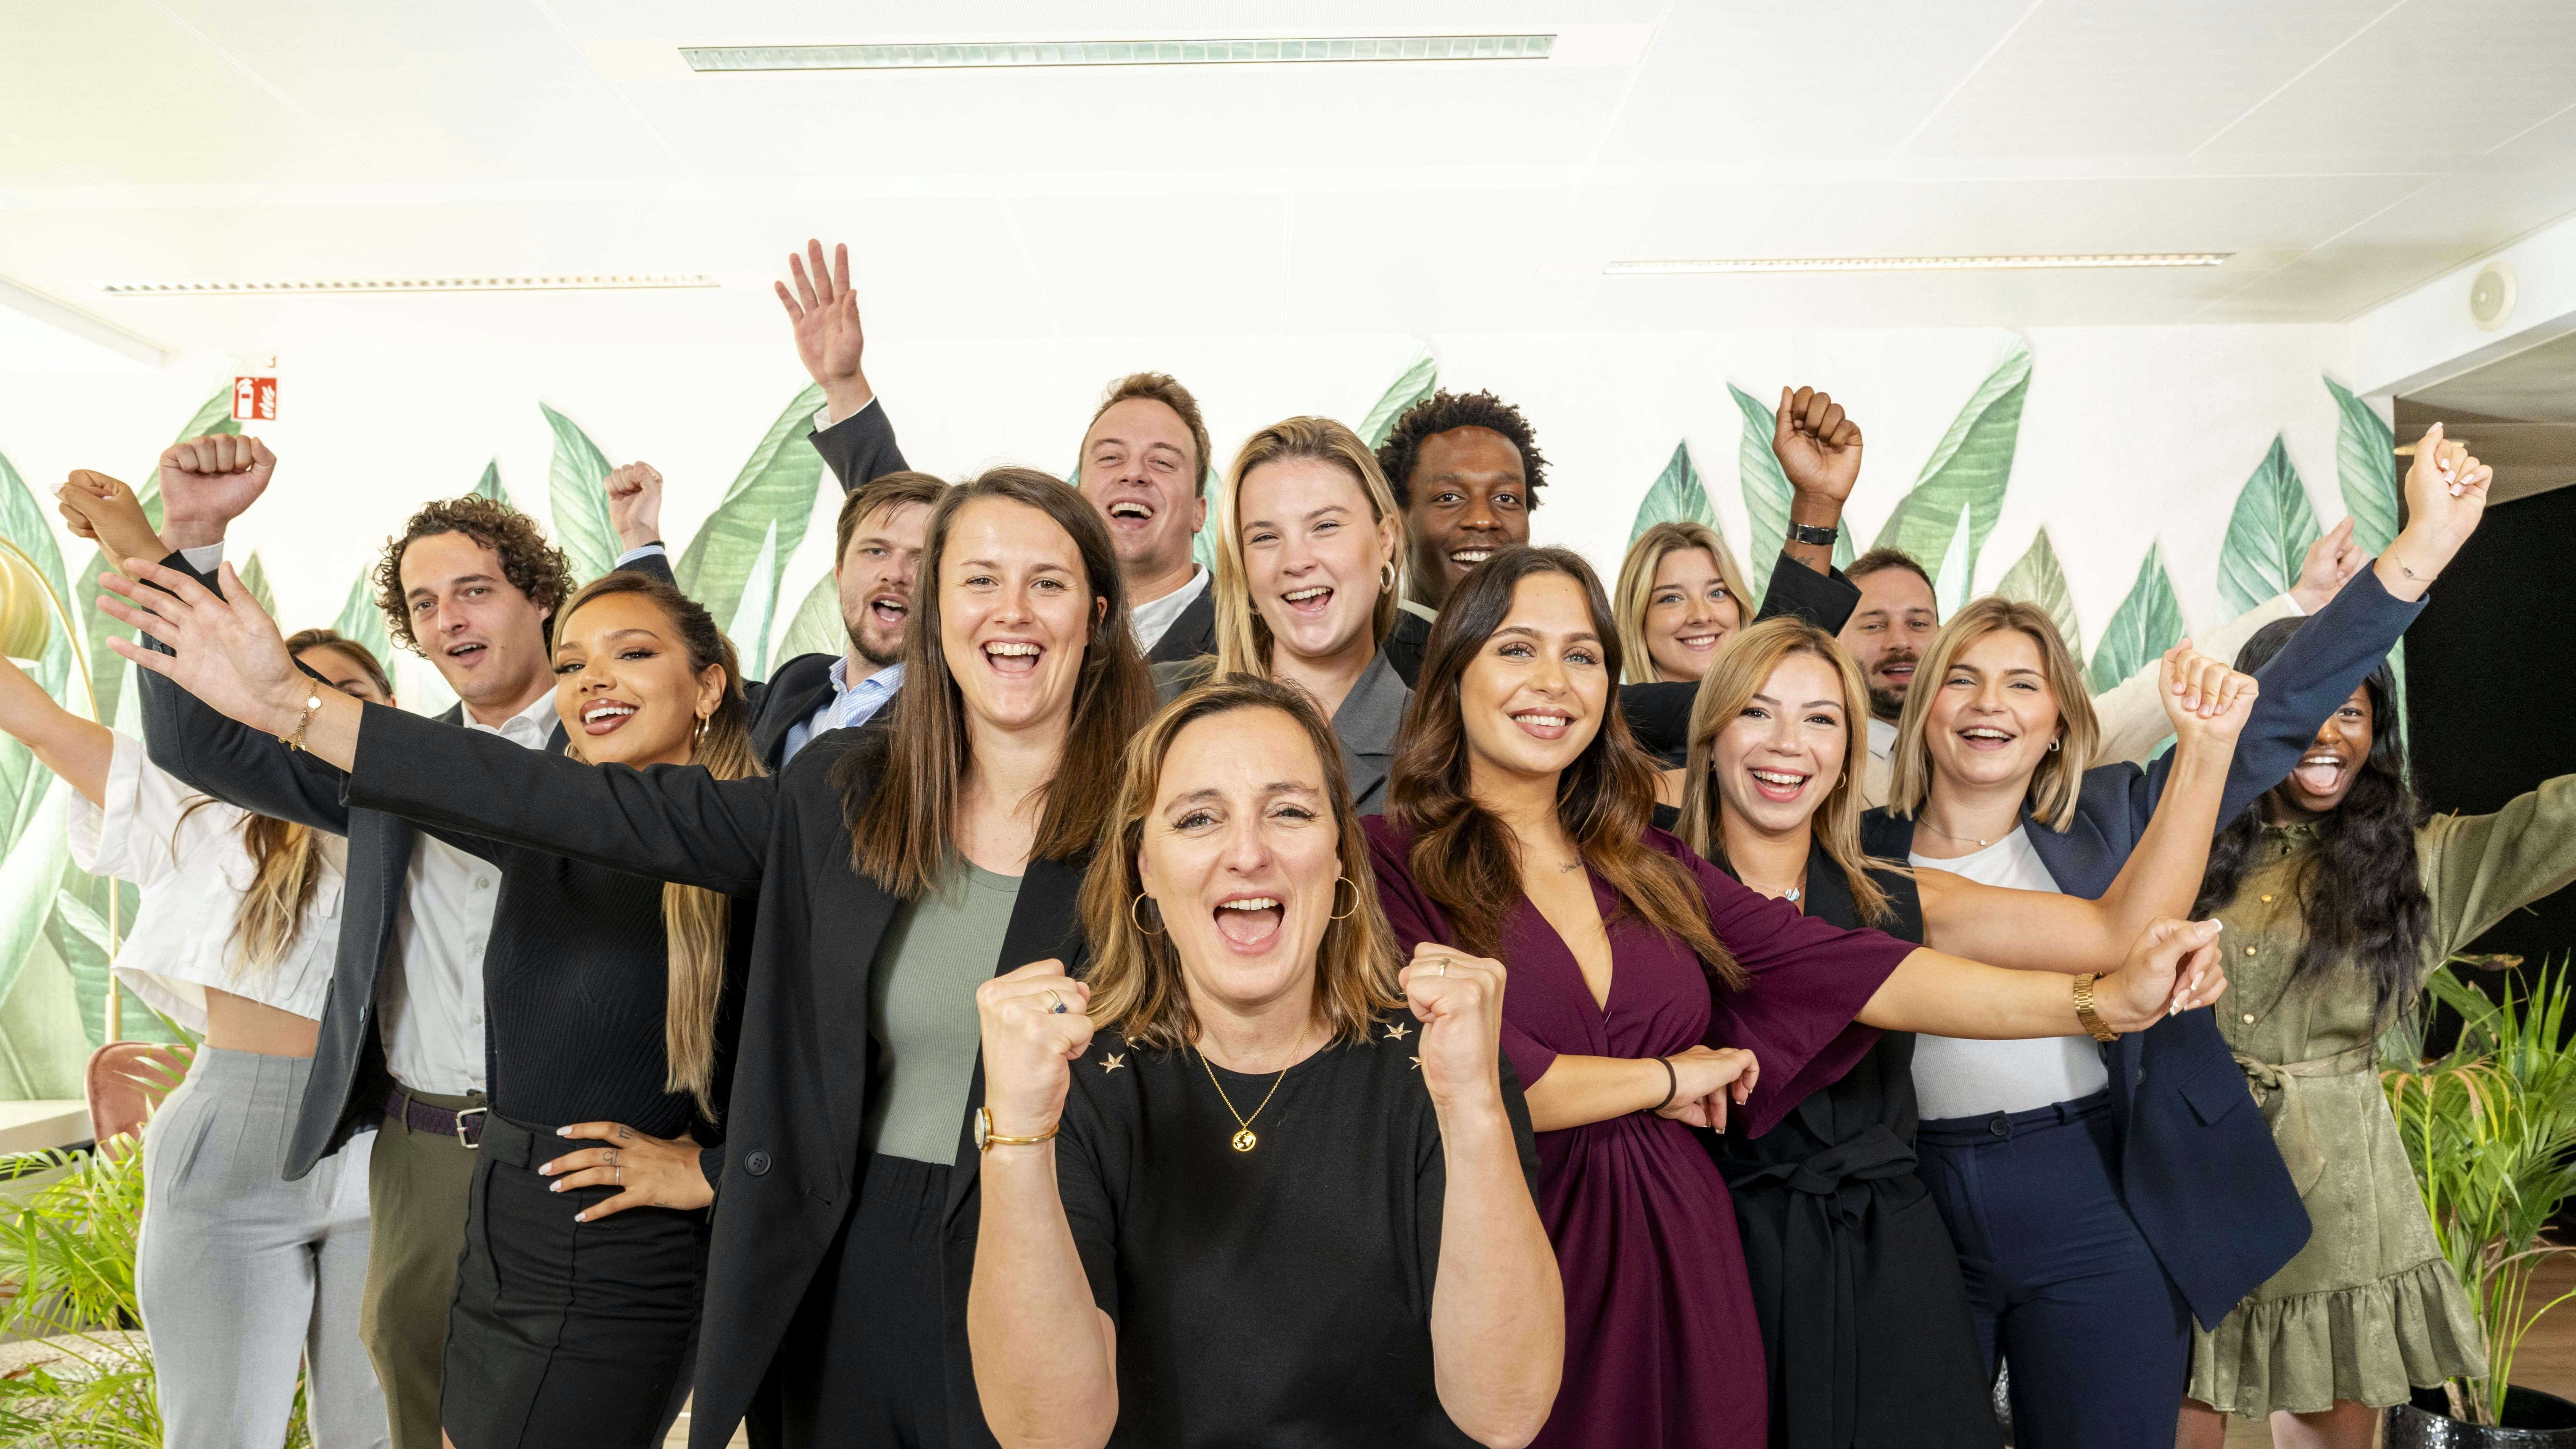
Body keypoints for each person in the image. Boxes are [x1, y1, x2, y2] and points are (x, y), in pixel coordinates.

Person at [98, 467, 1157, 1449]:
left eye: (1046, 582)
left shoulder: (1157, 814)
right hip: (839, 1256)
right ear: (934, 617)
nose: (1009, 610)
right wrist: (287, 700)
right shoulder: (842, 796)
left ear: (1096, 614)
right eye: (977, 579)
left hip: (1051, 1245)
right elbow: (549, 796)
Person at [1365, 545, 2235, 1449]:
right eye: (1516, 649)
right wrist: (1667, 1079)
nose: (1552, 681)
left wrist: (2102, 1001)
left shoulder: (1645, 864)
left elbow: (1864, 969)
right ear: (1451, 670)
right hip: (1525, 1250)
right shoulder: (1382, 861)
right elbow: (1480, 1087)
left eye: (1581, 655)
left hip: (1691, 1261)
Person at [1864, 421, 2491, 1449]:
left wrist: (2418, 546)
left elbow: (2280, 710)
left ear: (2059, 719)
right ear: (1918, 708)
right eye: (1959, 678)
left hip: (2089, 1192)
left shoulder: (2115, 817)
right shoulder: (1855, 850)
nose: (1987, 703)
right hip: (1914, 1202)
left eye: (2020, 682)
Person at [62, 445, 641, 1449]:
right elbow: (204, 745)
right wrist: (192, 542)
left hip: (563, 1151)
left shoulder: (617, 743)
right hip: (405, 1149)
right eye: (425, 604)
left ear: (540, 599)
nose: (451, 618)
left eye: (474, 590)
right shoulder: (390, 761)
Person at [1667, 616, 2257, 1449]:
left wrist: (2204, 750)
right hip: (1720, 1251)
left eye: (1822, 718)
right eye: (1757, 712)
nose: (1787, 743)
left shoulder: (1893, 894)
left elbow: (2115, 928)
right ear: (1711, 729)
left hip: (1888, 1259)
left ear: (1849, 750)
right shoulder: (1650, 886)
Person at [968, 675, 1564, 1449]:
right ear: (1145, 868)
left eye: (1288, 810)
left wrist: (1473, 1104)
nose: (1247, 853)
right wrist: (1016, 1130)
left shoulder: (1439, 1061)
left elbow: (1506, 1411)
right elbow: (1046, 1434)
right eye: (1198, 817)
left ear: (1342, 855)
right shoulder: (1072, 1076)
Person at [2176, 622, 2576, 1449]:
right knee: (2172, 1411)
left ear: (2377, 731)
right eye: (2305, 706)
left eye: (2351, 711)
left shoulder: (2417, 864)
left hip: (2335, 1191)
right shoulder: (2183, 842)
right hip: (2185, 1170)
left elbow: (2551, 824)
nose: (2328, 732)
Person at [0, 604, 390, 1449]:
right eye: (300, 688)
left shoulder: (440, 827)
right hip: (232, 1139)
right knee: (221, 1431)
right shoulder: (195, 808)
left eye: (350, 692)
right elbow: (36, 721)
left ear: (390, 715)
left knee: (376, 1434)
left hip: (390, 1147)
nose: (319, 706)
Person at [790, 240, 1216, 664]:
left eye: (1162, 461)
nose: (1133, 474)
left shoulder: (1250, 633)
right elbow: (911, 520)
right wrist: (843, 386)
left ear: (1200, 510)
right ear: (1080, 496)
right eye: (1110, 457)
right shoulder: (1020, 621)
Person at [1839, 515, 2368, 807]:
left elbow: (2156, 689)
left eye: (1917, 622)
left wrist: (2300, 602)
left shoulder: (2047, 748)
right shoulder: (1817, 763)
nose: (1900, 641)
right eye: (1871, 623)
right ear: (1833, 640)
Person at [604, 457, 943, 767]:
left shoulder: (955, 719)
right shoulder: (801, 680)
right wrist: (639, 539)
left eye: (921, 559)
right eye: (876, 551)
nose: (896, 573)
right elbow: (698, 670)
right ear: (839, 576)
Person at [1165, 415, 1410, 812]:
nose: (1296, 561)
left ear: (1386, 540)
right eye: (1265, 537)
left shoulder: (1445, 740)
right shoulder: (1155, 701)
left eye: (1325, 526)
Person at [1371, 388, 1547, 685]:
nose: (1483, 519)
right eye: (1449, 497)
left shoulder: (1555, 653)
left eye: (1506, 498)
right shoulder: (1372, 669)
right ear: (1396, 525)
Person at [1612, 521, 1753, 688]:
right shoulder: (1606, 713)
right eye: (1672, 598)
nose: (1701, 616)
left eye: (1717, 593)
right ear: (1638, 619)